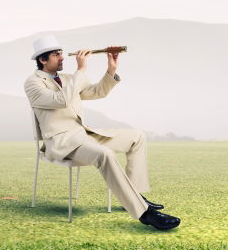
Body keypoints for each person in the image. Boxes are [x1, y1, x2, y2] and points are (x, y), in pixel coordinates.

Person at [24, 34, 181, 230]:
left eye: (62, 53)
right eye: (57, 54)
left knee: (137, 137)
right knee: (105, 154)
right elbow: (60, 100)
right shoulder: (33, 83)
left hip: (84, 135)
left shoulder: (67, 78)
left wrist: (111, 69)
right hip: (63, 143)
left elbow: (98, 92)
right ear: (42, 59)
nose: (63, 57)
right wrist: (81, 69)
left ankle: (134, 196)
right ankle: (144, 213)